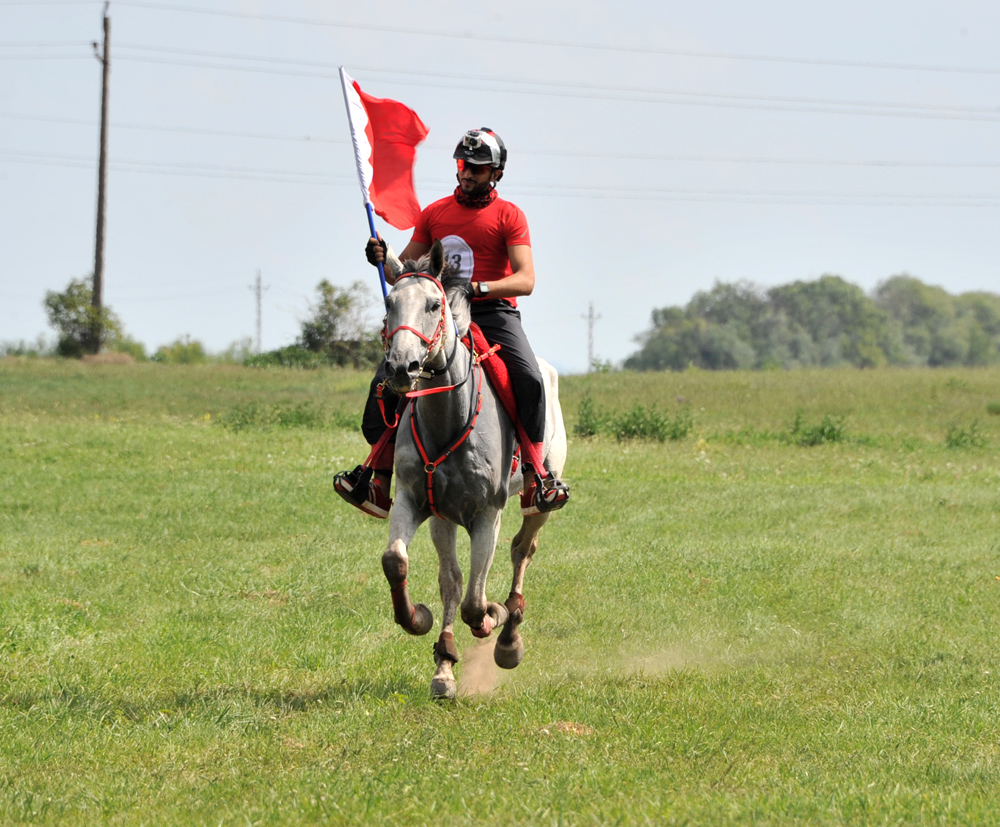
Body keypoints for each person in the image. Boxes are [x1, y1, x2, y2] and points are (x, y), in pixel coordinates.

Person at [333, 127, 570, 519]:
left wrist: (478, 288)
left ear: (495, 172)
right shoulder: (435, 213)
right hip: (437, 314)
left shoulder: (510, 215)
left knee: (528, 377)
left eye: (477, 167)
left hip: (493, 312)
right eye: (463, 164)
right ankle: (377, 477)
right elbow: (403, 272)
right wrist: (383, 253)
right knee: (386, 380)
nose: (467, 173)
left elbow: (525, 279)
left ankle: (535, 478)